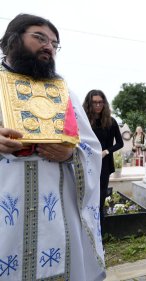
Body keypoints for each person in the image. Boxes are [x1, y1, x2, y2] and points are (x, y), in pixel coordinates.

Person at [0, 14, 104, 280]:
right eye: (39, 37)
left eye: (54, 43)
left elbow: (90, 147)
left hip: (56, 211)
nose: (48, 46)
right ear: (12, 40)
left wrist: (72, 153)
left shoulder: (63, 91)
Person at [83, 89, 124, 229]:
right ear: (89, 103)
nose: (98, 105)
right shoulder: (84, 121)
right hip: (86, 164)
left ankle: (99, 235)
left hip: (103, 165)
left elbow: (120, 143)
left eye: (100, 102)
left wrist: (106, 151)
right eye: (94, 102)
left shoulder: (111, 122)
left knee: (100, 200)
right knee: (86, 199)